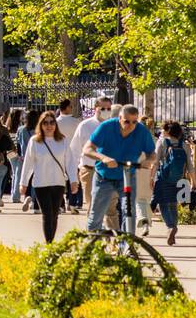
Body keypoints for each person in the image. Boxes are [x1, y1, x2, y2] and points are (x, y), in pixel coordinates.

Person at [84, 105, 155, 234]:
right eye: (126, 121)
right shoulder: (106, 127)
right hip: (104, 176)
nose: (131, 125)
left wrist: (148, 161)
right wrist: (103, 158)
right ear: (120, 118)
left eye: (134, 122)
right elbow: (87, 149)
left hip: (127, 175)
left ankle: (127, 245)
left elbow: (152, 153)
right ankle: (92, 246)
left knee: (129, 211)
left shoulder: (141, 131)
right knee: (97, 214)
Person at [19, 111, 79, 243]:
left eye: (52, 122)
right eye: (45, 123)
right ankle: (49, 244)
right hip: (41, 183)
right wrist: (23, 183)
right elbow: (28, 163)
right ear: (41, 125)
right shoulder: (34, 141)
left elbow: (69, 161)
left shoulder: (62, 140)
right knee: (47, 214)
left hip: (58, 182)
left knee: (55, 214)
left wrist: (74, 180)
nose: (49, 126)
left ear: (55, 125)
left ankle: (51, 242)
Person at [68, 96, 112, 223]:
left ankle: (110, 233)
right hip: (89, 170)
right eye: (102, 108)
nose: (106, 111)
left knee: (110, 206)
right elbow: (75, 149)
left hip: (109, 170)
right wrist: (74, 172)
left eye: (108, 108)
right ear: (95, 108)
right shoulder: (85, 125)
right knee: (92, 204)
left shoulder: (114, 126)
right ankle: (93, 231)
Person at [153, 122, 189, 246]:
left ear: (167, 131)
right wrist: (194, 183)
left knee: (162, 203)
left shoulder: (162, 142)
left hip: (163, 177)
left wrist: (151, 177)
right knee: (173, 204)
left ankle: (170, 226)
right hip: (178, 179)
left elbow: (156, 162)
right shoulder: (184, 145)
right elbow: (190, 165)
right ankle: (174, 226)